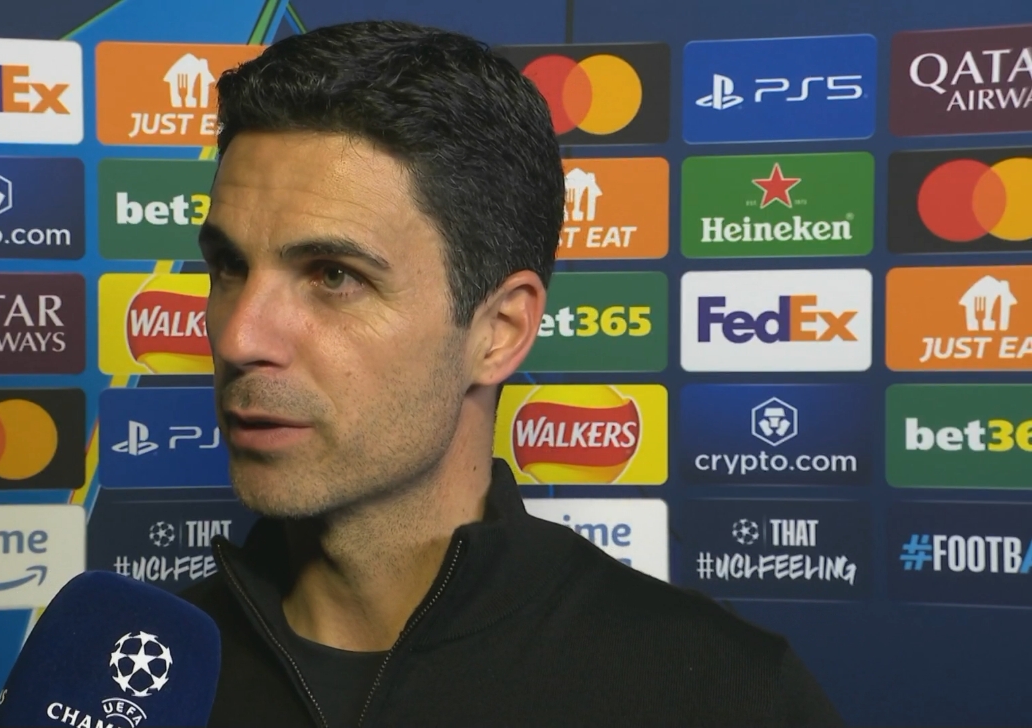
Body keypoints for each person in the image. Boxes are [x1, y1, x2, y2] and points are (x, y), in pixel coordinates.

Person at [182, 19, 844, 728]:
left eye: (334, 275)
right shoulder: (135, 676)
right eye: (229, 267)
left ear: (499, 332)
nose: (241, 336)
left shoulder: (723, 695)